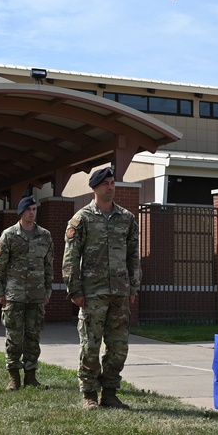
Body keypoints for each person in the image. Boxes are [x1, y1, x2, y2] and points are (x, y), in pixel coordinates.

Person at [62, 166, 140, 410]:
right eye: (106, 183)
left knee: (118, 347)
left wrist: (133, 287)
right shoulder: (82, 219)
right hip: (92, 293)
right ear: (95, 187)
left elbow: (133, 255)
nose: (111, 186)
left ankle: (110, 393)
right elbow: (71, 257)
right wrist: (74, 290)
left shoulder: (127, 218)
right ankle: (89, 394)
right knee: (91, 346)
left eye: (112, 182)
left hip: (119, 292)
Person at [0, 195, 54, 390]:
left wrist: (47, 291)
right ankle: (13, 377)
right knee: (14, 337)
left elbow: (48, 266)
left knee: (33, 337)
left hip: (36, 296)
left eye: (34, 209)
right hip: (14, 295)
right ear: (21, 212)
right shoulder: (9, 235)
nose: (32, 212)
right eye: (28, 209)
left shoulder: (45, 236)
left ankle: (31, 376)